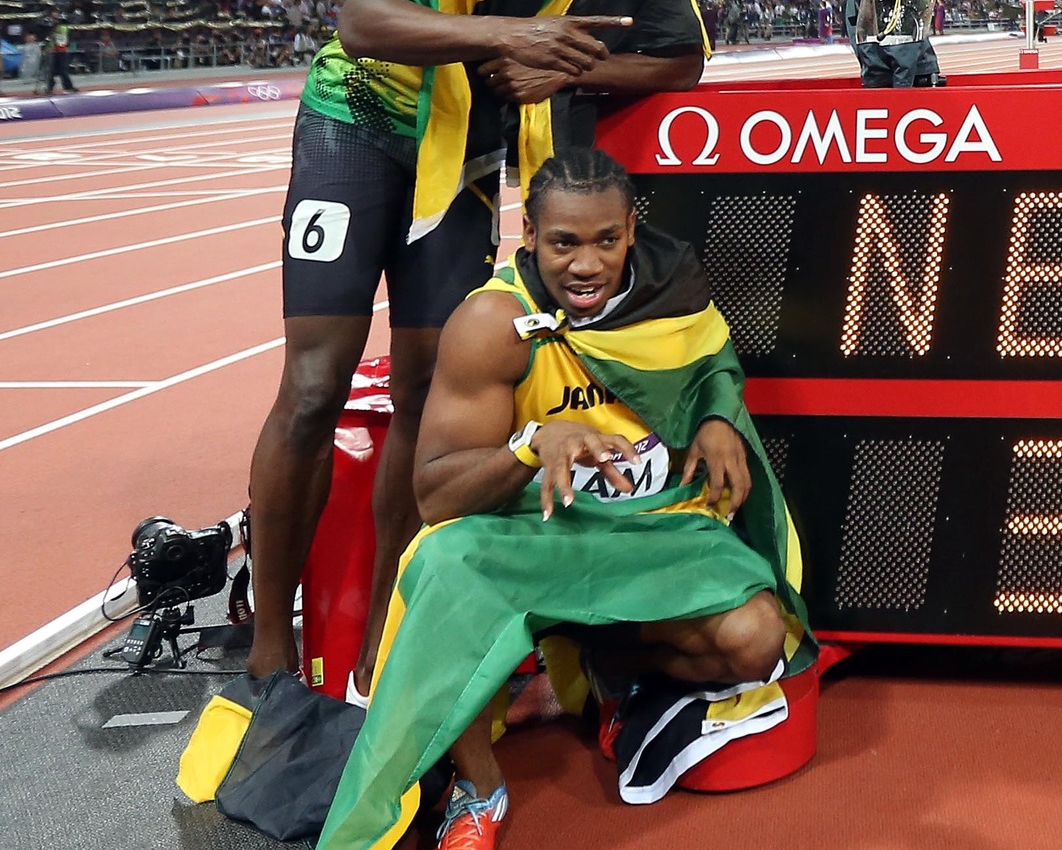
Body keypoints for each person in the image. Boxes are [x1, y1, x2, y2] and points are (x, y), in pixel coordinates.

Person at [246, 0, 711, 698]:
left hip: (461, 145)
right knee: (314, 384)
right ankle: (268, 652)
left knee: (426, 392)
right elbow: (363, 19)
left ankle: (385, 635)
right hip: (361, 116)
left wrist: (560, 65)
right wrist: (511, 32)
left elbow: (684, 56)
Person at [317, 148, 813, 850]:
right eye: (563, 243)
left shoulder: (671, 292)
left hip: (648, 528)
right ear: (528, 237)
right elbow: (434, 493)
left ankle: (605, 670)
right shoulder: (492, 323)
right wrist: (529, 443)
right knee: (446, 569)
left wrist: (716, 415)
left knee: (758, 636)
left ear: (631, 231)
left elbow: (710, 365)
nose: (586, 263)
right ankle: (478, 785)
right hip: (531, 538)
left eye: (605, 240)